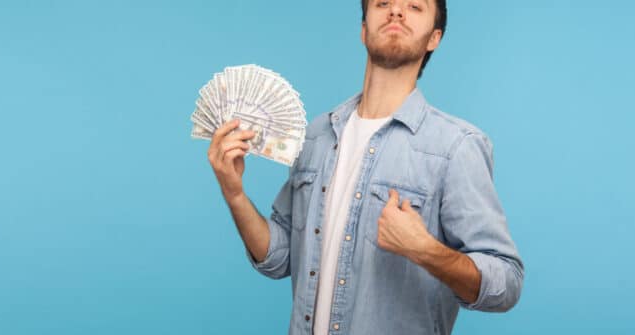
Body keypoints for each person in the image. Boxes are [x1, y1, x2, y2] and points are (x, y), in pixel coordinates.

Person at [206, 0, 524, 333]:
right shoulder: (316, 136)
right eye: (383, 3)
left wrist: (425, 250)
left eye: (415, 6)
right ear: (363, 30)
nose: (396, 11)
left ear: (434, 38)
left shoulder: (456, 147)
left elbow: (507, 283)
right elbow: (279, 258)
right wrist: (234, 193)